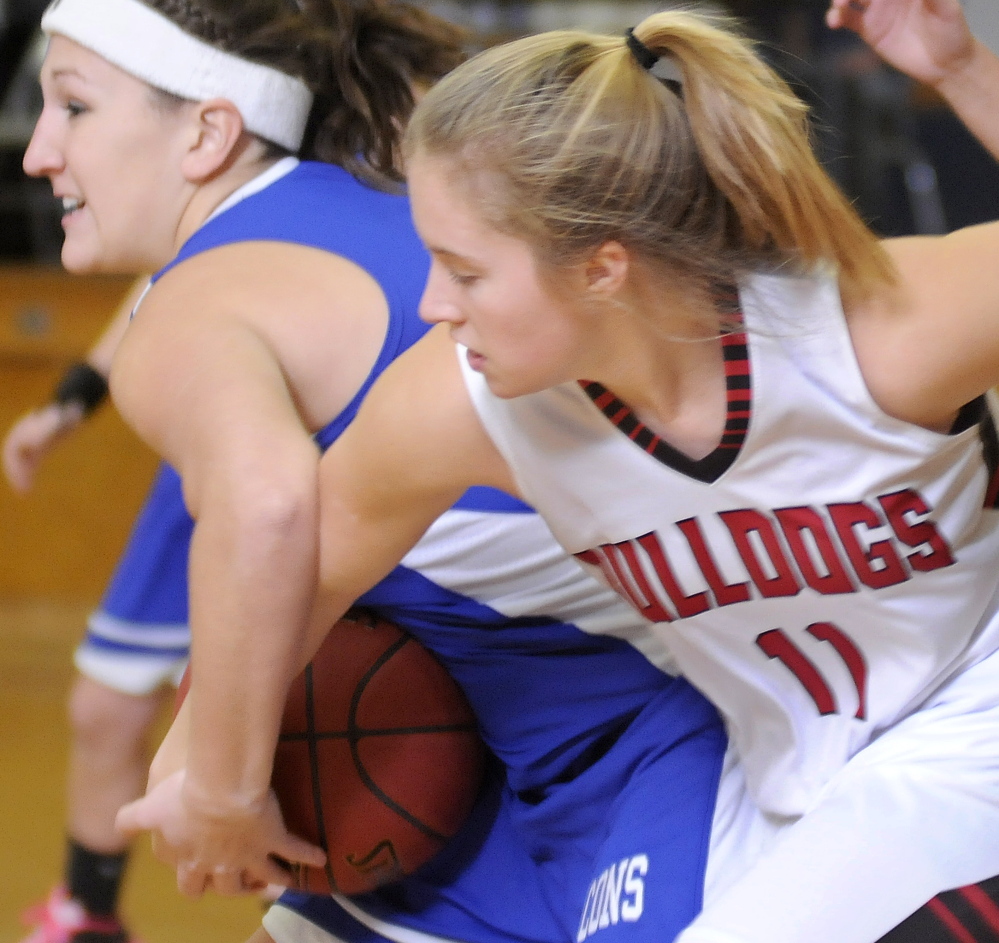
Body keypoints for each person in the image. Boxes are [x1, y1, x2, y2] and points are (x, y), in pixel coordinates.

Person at [117, 0, 999, 942]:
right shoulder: (467, 404)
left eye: (465, 271)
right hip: (793, 775)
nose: (433, 303)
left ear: (601, 269)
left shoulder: (871, 334)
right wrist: (208, 771)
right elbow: (305, 570)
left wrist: (962, 70)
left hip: (968, 731)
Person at [22, 3, 770, 943]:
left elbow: (267, 508)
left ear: (209, 133)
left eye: (75, 107)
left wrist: (222, 790)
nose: (37, 152)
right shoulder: (398, 212)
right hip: (526, 762)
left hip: (677, 745)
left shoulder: (189, 310)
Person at [4, 276, 193, 943]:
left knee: (299, 733)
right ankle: (89, 917)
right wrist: (71, 402)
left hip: (320, 459)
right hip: (199, 468)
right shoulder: (210, 226)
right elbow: (161, 278)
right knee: (104, 708)